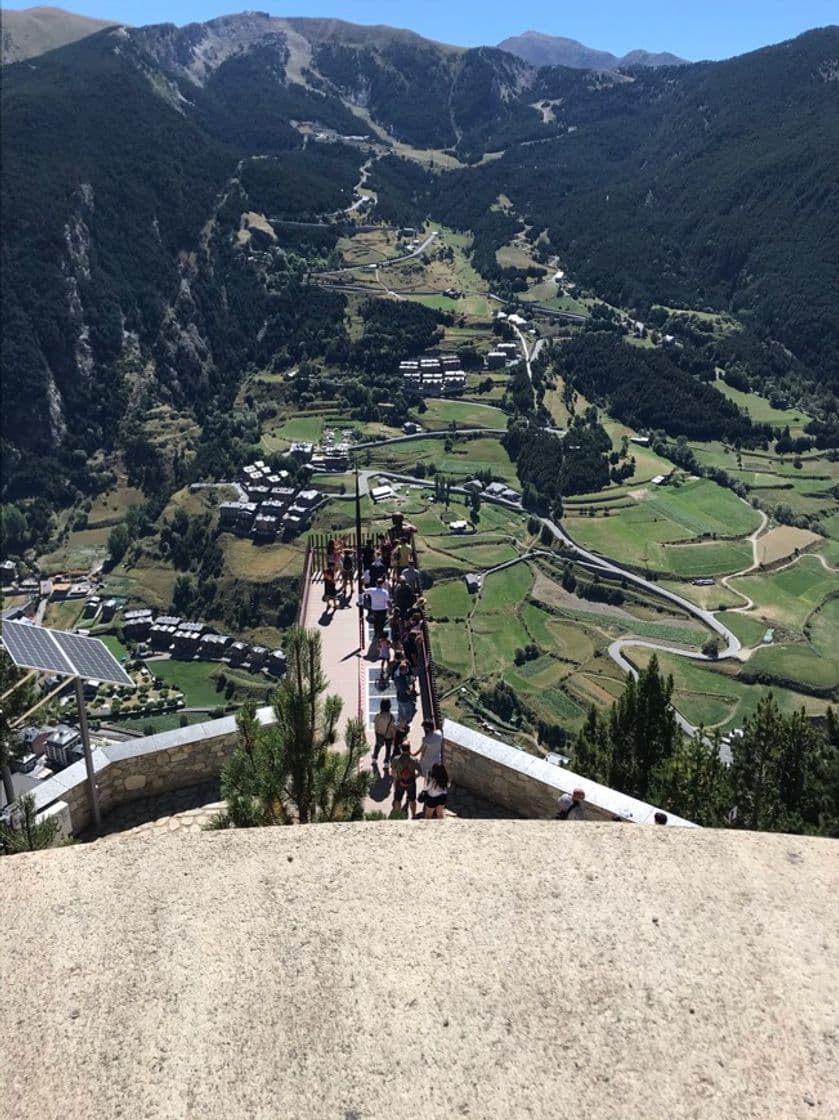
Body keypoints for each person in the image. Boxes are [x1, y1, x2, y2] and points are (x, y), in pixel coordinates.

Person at [391, 740, 422, 818]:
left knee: (398, 800)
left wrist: (397, 779)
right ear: (409, 749)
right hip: (411, 783)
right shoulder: (414, 760)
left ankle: (397, 815)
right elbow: (420, 772)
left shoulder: (396, 759)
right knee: (412, 800)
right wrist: (415, 777)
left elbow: (393, 772)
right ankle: (413, 815)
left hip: (400, 782)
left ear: (401, 749)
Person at [372, 698, 396, 767]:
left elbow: (376, 726)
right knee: (388, 749)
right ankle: (386, 762)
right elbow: (392, 728)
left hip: (380, 734)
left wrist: (377, 734)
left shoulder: (377, 716)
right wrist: (394, 737)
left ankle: (374, 758)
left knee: (377, 747)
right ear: (389, 706)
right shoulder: (391, 717)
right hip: (389, 735)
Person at [393, 659, 416, 726]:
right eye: (406, 669)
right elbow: (408, 692)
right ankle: (406, 724)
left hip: (399, 697)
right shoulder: (403, 680)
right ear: (403, 670)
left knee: (400, 712)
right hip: (405, 699)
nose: (407, 670)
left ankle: (398, 723)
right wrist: (411, 684)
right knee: (407, 713)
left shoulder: (396, 675)